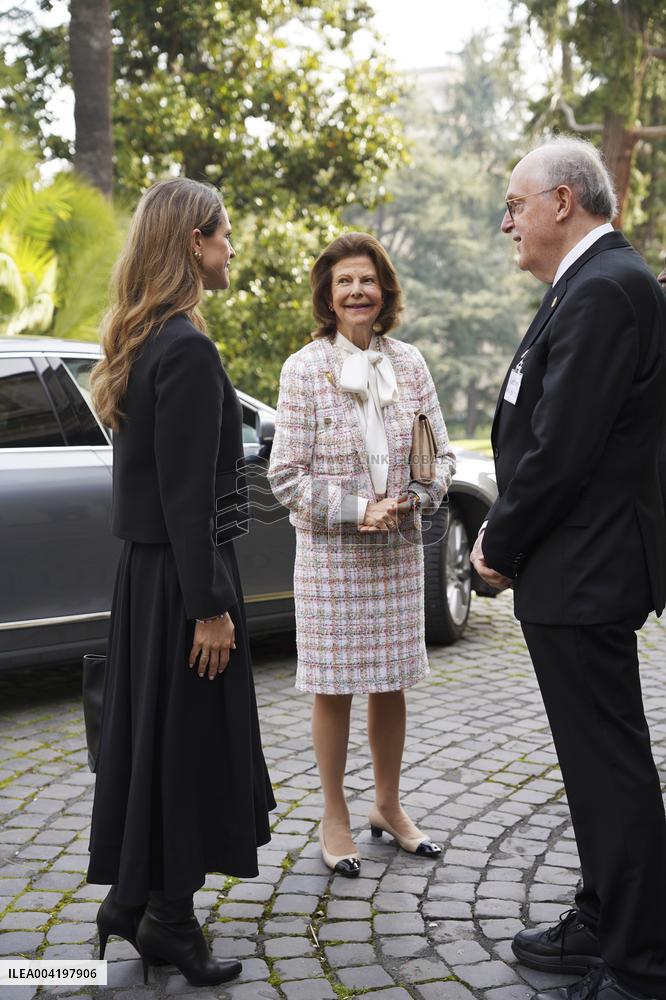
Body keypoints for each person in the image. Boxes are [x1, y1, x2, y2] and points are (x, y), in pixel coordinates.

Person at [471, 137, 666, 1000]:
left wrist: (496, 544)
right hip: (576, 567)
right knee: (593, 765)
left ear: (562, 201)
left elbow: (562, 449)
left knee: (609, 767)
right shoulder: (588, 283)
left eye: (515, 204)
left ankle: (640, 960)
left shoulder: (607, 288)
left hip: (586, 569)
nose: (507, 221)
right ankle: (603, 914)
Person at [87, 178, 275, 987]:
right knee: (188, 745)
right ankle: (166, 920)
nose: (232, 248)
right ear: (194, 243)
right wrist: (210, 608)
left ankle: (137, 900)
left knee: (157, 740)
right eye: (224, 234)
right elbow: (187, 495)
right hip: (181, 585)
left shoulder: (143, 341)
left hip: (147, 578)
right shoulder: (188, 349)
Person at [268, 232, 456, 877]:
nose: (357, 292)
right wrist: (356, 508)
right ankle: (334, 815)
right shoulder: (303, 369)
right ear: (327, 295)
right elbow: (285, 477)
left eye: (367, 281)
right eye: (344, 281)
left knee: (390, 681)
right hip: (331, 559)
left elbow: (442, 458)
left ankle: (388, 806)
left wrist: (413, 497)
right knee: (333, 687)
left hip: (397, 551)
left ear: (385, 291)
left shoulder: (411, 364)